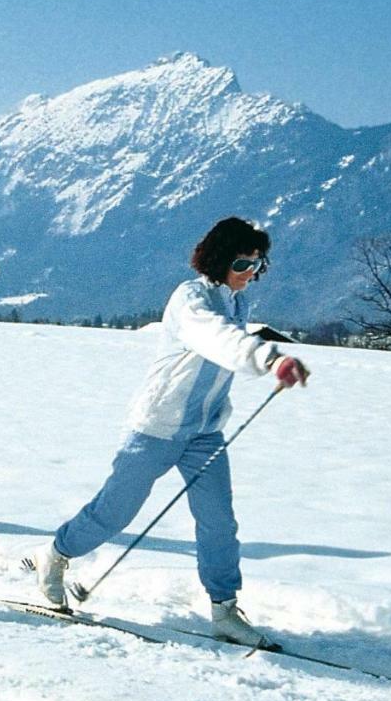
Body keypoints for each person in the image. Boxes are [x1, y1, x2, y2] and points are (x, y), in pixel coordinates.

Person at [32, 216, 309, 648]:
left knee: (219, 522)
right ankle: (56, 555)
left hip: (205, 432)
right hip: (156, 429)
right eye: (242, 264)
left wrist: (264, 361)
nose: (250, 274)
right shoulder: (191, 299)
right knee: (114, 513)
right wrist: (270, 360)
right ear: (219, 259)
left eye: (257, 265)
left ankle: (223, 609)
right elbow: (217, 340)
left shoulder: (236, 301)